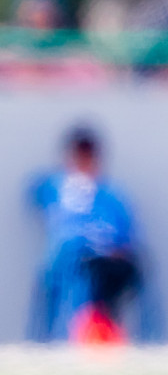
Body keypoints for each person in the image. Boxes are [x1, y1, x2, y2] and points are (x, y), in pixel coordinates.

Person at [27, 126, 159, 344]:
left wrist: (117, 249)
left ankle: (116, 338)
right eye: (80, 155)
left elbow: (128, 234)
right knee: (69, 268)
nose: (84, 161)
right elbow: (36, 194)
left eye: (88, 156)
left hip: (104, 259)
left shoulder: (112, 193)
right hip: (67, 257)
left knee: (114, 274)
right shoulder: (56, 186)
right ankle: (54, 340)